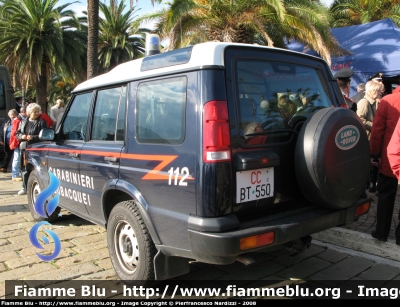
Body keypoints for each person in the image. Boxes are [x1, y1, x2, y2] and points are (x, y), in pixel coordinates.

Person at [369, 90, 400, 244]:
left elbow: (377, 130)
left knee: (386, 196)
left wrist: (374, 154)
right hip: (392, 155)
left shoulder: (388, 100)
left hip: (390, 157)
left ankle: (382, 231)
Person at [356, 80, 383, 193]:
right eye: (378, 90)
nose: (380, 93)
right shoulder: (364, 102)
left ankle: (370, 185)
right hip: (366, 138)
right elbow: (360, 119)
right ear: (373, 91)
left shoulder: (375, 102)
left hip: (371, 138)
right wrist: (374, 127)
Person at [16, 103, 47, 195]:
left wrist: (33, 137)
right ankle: (24, 187)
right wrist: (23, 136)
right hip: (24, 147)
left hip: (36, 148)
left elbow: (45, 135)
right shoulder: (23, 122)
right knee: (23, 168)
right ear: (29, 112)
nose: (37, 113)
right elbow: (17, 134)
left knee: (35, 168)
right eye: (35, 112)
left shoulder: (41, 122)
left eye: (38, 111)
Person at [9, 110, 22, 181]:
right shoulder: (17, 121)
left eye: (12, 115)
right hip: (17, 142)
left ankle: (15, 174)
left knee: (17, 158)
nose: (11, 116)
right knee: (17, 158)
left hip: (15, 142)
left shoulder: (15, 121)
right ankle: (15, 175)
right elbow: (15, 133)